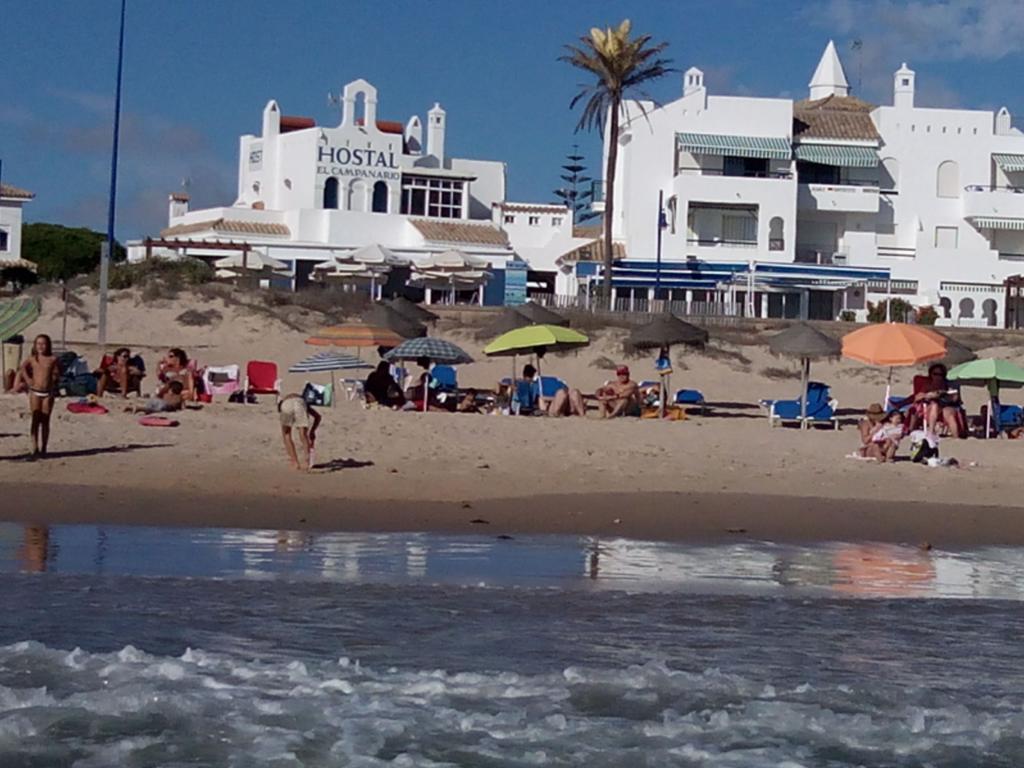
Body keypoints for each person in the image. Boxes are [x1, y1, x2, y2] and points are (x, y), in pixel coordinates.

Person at [16, 334, 60, 457]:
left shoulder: (53, 359)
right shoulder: (32, 359)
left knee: (45, 420)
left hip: (48, 393)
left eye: (43, 344)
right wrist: (28, 379)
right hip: (35, 392)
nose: (41, 346)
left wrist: (54, 378)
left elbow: (57, 372)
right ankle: (35, 448)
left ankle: (44, 448)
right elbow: (22, 368)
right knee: (35, 420)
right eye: (38, 344)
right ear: (35, 346)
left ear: (48, 345)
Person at [911, 363, 965, 438]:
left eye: (940, 374)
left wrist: (945, 394)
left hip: (947, 405)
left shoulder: (949, 384)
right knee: (934, 405)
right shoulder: (928, 385)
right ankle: (931, 431)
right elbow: (917, 397)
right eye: (935, 374)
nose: (938, 377)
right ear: (931, 374)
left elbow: (956, 398)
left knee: (948, 413)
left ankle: (956, 437)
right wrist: (928, 395)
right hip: (931, 407)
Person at [277, 393, 321, 472]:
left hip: (286, 404)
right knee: (303, 434)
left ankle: (295, 462)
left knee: (286, 434)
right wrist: (312, 431)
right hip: (299, 402)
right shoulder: (304, 402)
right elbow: (318, 417)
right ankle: (307, 462)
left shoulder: (283, 401)